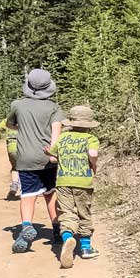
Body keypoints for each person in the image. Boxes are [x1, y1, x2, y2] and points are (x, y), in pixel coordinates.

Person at [7, 69, 65, 254]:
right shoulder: (54, 108)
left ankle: (26, 227)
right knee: (51, 194)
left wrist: (20, 126)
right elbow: (56, 134)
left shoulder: (18, 105)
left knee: (28, 195)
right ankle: (57, 232)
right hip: (48, 157)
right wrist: (54, 155)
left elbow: (9, 124)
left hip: (25, 158)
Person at [53, 105, 101, 268]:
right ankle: (86, 248)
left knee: (66, 212)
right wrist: (93, 165)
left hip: (63, 181)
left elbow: (53, 157)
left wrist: (50, 154)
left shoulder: (63, 137)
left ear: (71, 122)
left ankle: (68, 237)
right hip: (83, 181)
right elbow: (93, 154)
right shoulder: (91, 139)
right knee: (84, 212)